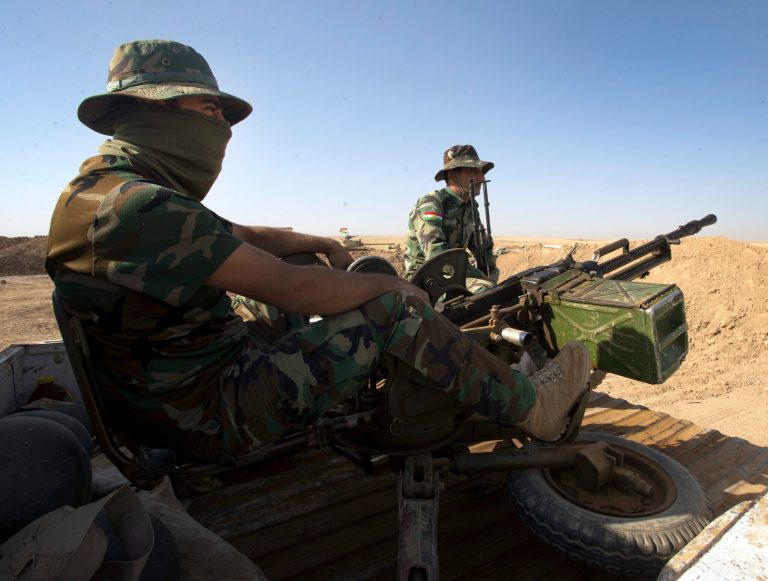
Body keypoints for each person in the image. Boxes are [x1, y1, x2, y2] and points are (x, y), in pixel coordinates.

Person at [46, 40, 592, 464]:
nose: (222, 127)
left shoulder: (109, 194)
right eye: (209, 109)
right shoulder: (136, 208)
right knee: (391, 311)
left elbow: (247, 238)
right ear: (151, 109)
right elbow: (295, 290)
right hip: (207, 417)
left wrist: (323, 245)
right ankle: (531, 407)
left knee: (310, 268)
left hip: (173, 392)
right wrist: (389, 286)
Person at [404, 145, 500, 294]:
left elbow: (481, 248)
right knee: (484, 289)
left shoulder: (470, 207)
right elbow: (437, 256)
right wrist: (480, 276)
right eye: (475, 171)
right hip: (425, 282)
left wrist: (491, 272)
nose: (482, 178)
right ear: (454, 175)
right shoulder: (431, 204)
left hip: (453, 275)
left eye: (481, 172)